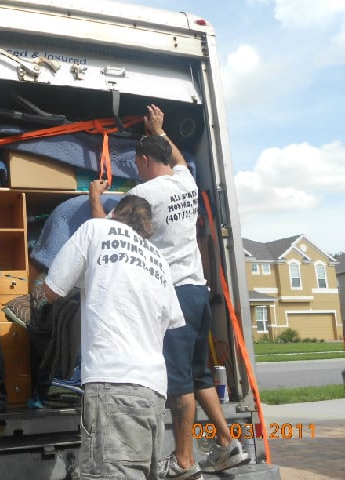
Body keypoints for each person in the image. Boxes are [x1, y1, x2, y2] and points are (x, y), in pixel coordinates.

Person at [90, 105, 249, 479]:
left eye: (137, 164)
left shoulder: (142, 195)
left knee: (179, 384)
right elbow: (176, 157)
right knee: (199, 376)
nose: (136, 170)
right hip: (197, 292)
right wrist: (160, 131)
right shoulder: (186, 182)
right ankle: (228, 444)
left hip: (172, 297)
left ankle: (183, 460)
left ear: (145, 160)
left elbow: (104, 233)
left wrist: (95, 197)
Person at [42, 195, 185, 480]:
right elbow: (172, 320)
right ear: (147, 226)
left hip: (113, 384)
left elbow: (52, 289)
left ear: (114, 214)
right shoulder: (158, 259)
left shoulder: (95, 228)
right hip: (154, 392)